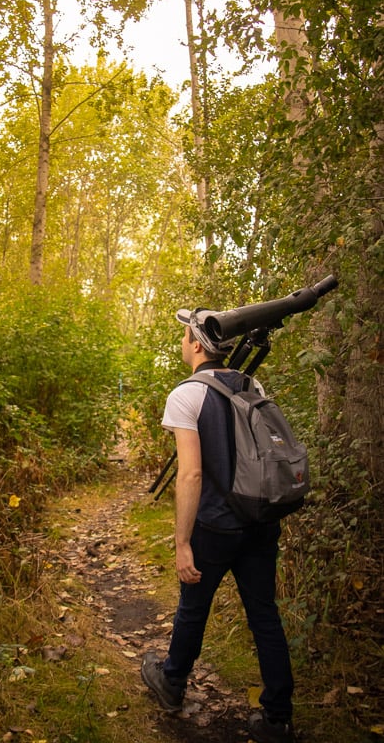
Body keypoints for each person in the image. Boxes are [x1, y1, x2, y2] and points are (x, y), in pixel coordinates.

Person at [141, 307, 295, 743]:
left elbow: (190, 474)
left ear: (195, 343)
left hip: (215, 526)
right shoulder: (252, 384)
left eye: (185, 335)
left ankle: (172, 684)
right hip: (260, 520)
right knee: (264, 614)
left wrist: (182, 541)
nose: (183, 342)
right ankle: (278, 718)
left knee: (193, 607)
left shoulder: (187, 394)